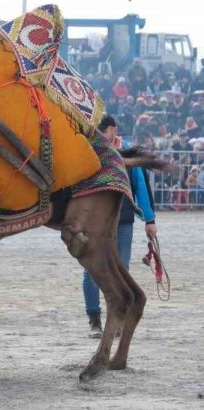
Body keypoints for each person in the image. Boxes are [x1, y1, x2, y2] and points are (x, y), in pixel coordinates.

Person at [82, 115, 158, 338]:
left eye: (102, 132)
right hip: (94, 220)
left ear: (113, 130)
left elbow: (141, 187)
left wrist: (150, 220)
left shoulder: (127, 154)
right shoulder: (89, 152)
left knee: (121, 269)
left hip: (123, 217)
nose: (98, 137)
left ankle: (116, 319)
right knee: (91, 269)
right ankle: (94, 319)